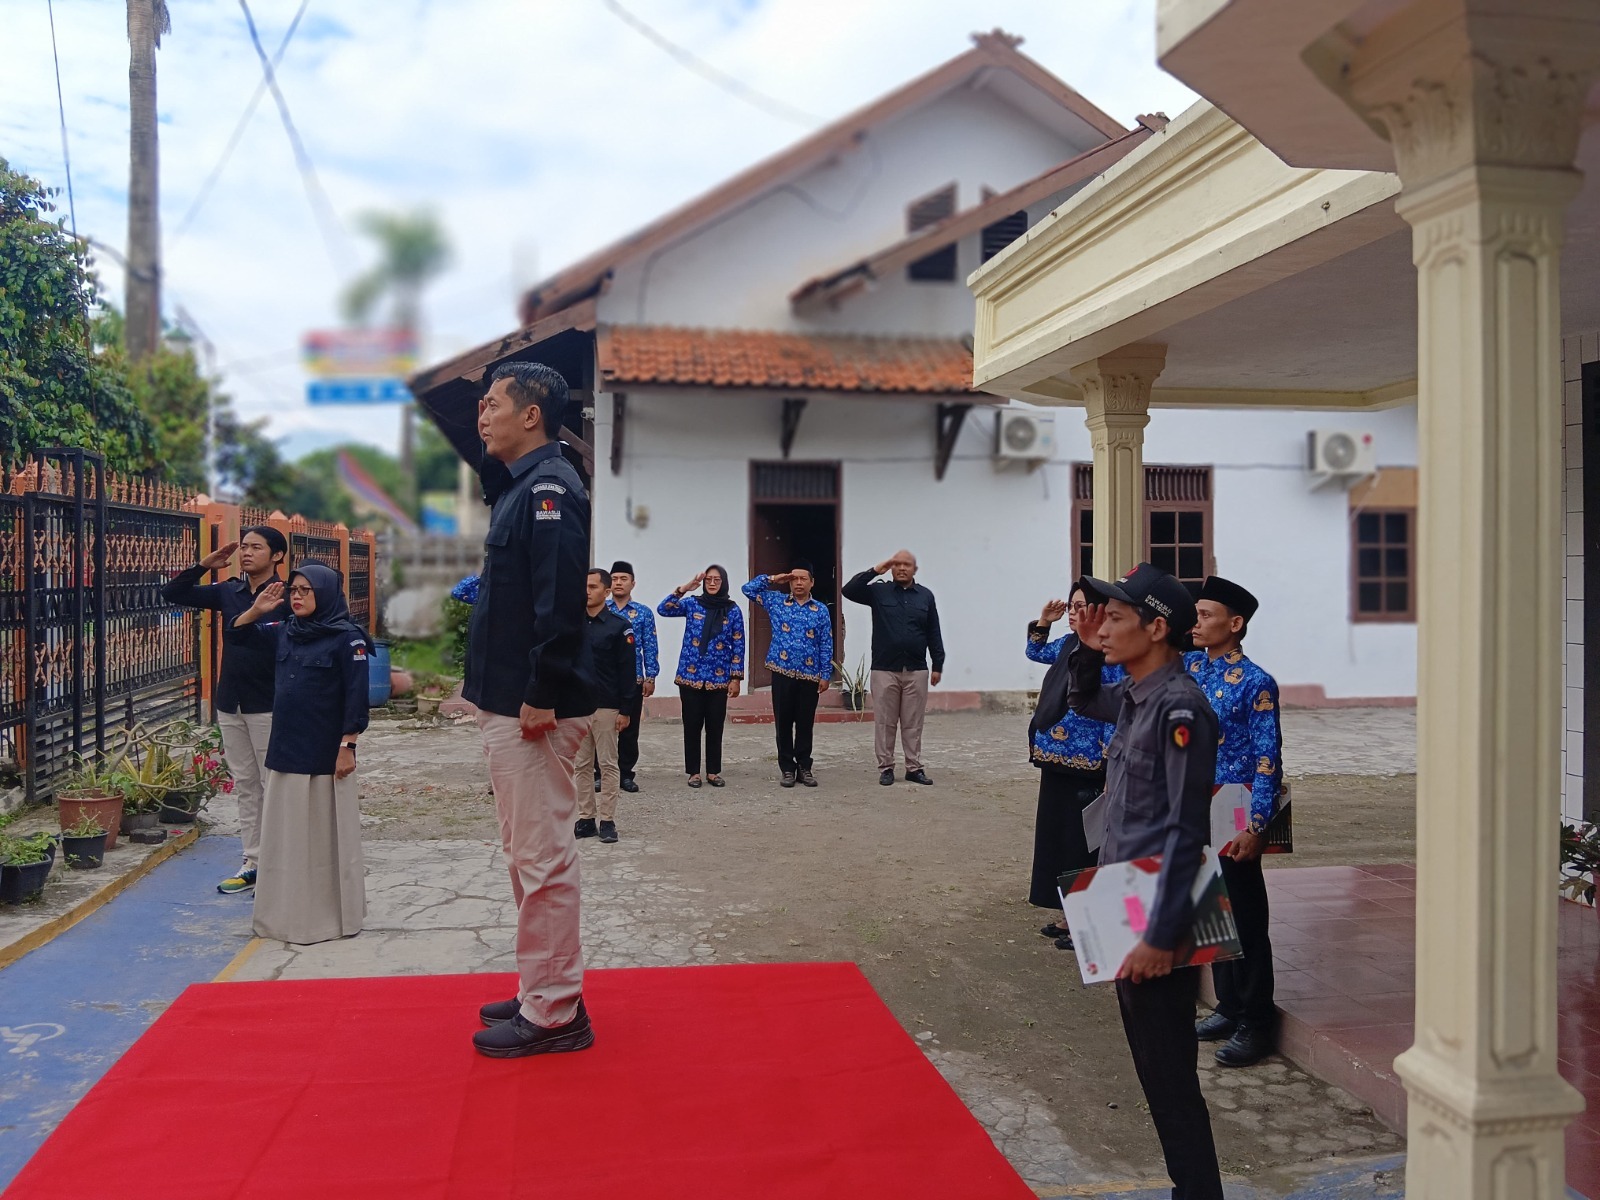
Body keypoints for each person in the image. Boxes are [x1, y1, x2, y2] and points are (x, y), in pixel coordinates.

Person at [1067, 563, 1224, 1200]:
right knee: (1157, 1074)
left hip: (1158, 918)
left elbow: (1188, 831)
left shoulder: (1180, 709)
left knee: (1171, 1079)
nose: (1102, 627)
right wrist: (1084, 648)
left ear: (1157, 628)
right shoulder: (1139, 696)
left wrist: (1161, 936)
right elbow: (1082, 700)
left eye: (1115, 617)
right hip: (1124, 902)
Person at [460, 361, 598, 1059]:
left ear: (532, 415)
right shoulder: (519, 485)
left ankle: (555, 1011)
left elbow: (559, 602)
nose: (482, 415)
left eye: (493, 404)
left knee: (542, 858)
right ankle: (541, 985)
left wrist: (541, 692)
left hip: (532, 708)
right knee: (526, 855)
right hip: (509, 702)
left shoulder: (550, 488)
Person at [231, 564, 368, 945]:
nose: (297, 596)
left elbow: (356, 699)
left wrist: (347, 747)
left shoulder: (347, 639)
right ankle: (285, 917)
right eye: (293, 590)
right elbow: (238, 638)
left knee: (323, 843)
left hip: (325, 756)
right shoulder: (287, 631)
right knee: (286, 841)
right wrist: (256, 610)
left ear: (325, 593)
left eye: (306, 590)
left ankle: (328, 919)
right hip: (286, 751)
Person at [1186, 575, 1284, 1068]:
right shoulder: (1189, 668)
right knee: (1210, 910)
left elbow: (1268, 758)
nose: (1196, 622)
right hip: (1193, 807)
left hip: (1235, 810)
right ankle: (1227, 1005)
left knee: (1244, 919)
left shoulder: (1255, 682)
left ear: (1236, 623)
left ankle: (1256, 1020)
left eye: (1205, 615)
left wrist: (1257, 826)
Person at [161, 525, 290, 895]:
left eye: (256, 547)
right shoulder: (229, 591)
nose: (246, 553)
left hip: (269, 703)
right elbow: (172, 593)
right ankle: (253, 862)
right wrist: (204, 565)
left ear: (277, 556)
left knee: (273, 785)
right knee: (247, 785)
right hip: (231, 702)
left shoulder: (287, 595)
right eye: (244, 547)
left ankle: (282, 865)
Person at [1025, 588, 1121, 948]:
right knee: (1058, 842)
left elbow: (1113, 710)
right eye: (1072, 606)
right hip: (1055, 761)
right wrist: (1044, 621)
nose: (1073, 612)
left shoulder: (1109, 652)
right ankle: (1069, 913)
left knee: (1084, 846)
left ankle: (1085, 920)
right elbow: (1035, 651)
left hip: (1090, 765)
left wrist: (1111, 764)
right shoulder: (1068, 643)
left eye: (1082, 607)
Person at [842, 550, 945, 786]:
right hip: (884, 669)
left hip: (916, 669)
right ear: (891, 567)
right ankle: (886, 767)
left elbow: (933, 631)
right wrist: (876, 569)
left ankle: (914, 768)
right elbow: (849, 590)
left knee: (913, 723)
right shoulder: (879, 592)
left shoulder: (925, 596)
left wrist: (937, 664)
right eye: (896, 564)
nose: (901, 568)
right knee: (885, 722)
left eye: (906, 564)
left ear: (914, 569)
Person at [743, 561, 832, 788]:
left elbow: (826, 643)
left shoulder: (820, 610)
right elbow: (748, 589)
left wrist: (825, 674)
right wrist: (774, 579)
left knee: (805, 723)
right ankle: (787, 769)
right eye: (794, 579)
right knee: (783, 723)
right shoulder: (777, 601)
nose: (798, 583)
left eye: (803, 579)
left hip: (810, 675)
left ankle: (804, 767)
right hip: (782, 672)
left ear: (812, 582)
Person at [659, 565, 745, 787]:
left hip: (719, 678)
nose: (712, 583)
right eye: (709, 580)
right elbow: (664, 609)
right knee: (692, 725)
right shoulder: (692, 604)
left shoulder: (732, 610)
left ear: (724, 582)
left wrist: (736, 678)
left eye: (717, 579)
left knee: (715, 726)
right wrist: (685, 588)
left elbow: (738, 644)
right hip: (691, 676)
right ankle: (694, 772)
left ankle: (713, 772)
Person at [575, 568, 637, 844]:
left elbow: (627, 671)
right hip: (577, 706)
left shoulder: (618, 626)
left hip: (607, 705)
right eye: (585, 587)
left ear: (607, 591)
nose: (587, 592)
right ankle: (585, 818)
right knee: (581, 765)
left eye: (593, 587)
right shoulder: (573, 623)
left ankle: (607, 820)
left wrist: (626, 709)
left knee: (609, 764)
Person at [604, 560, 657, 794]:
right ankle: (601, 773)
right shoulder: (600, 608)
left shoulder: (643, 613)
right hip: (603, 679)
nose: (618, 583)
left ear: (632, 583)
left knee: (629, 729)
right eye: (614, 579)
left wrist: (650, 676)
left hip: (632, 680)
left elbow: (650, 645)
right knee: (601, 728)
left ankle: (626, 774)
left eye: (623, 579)